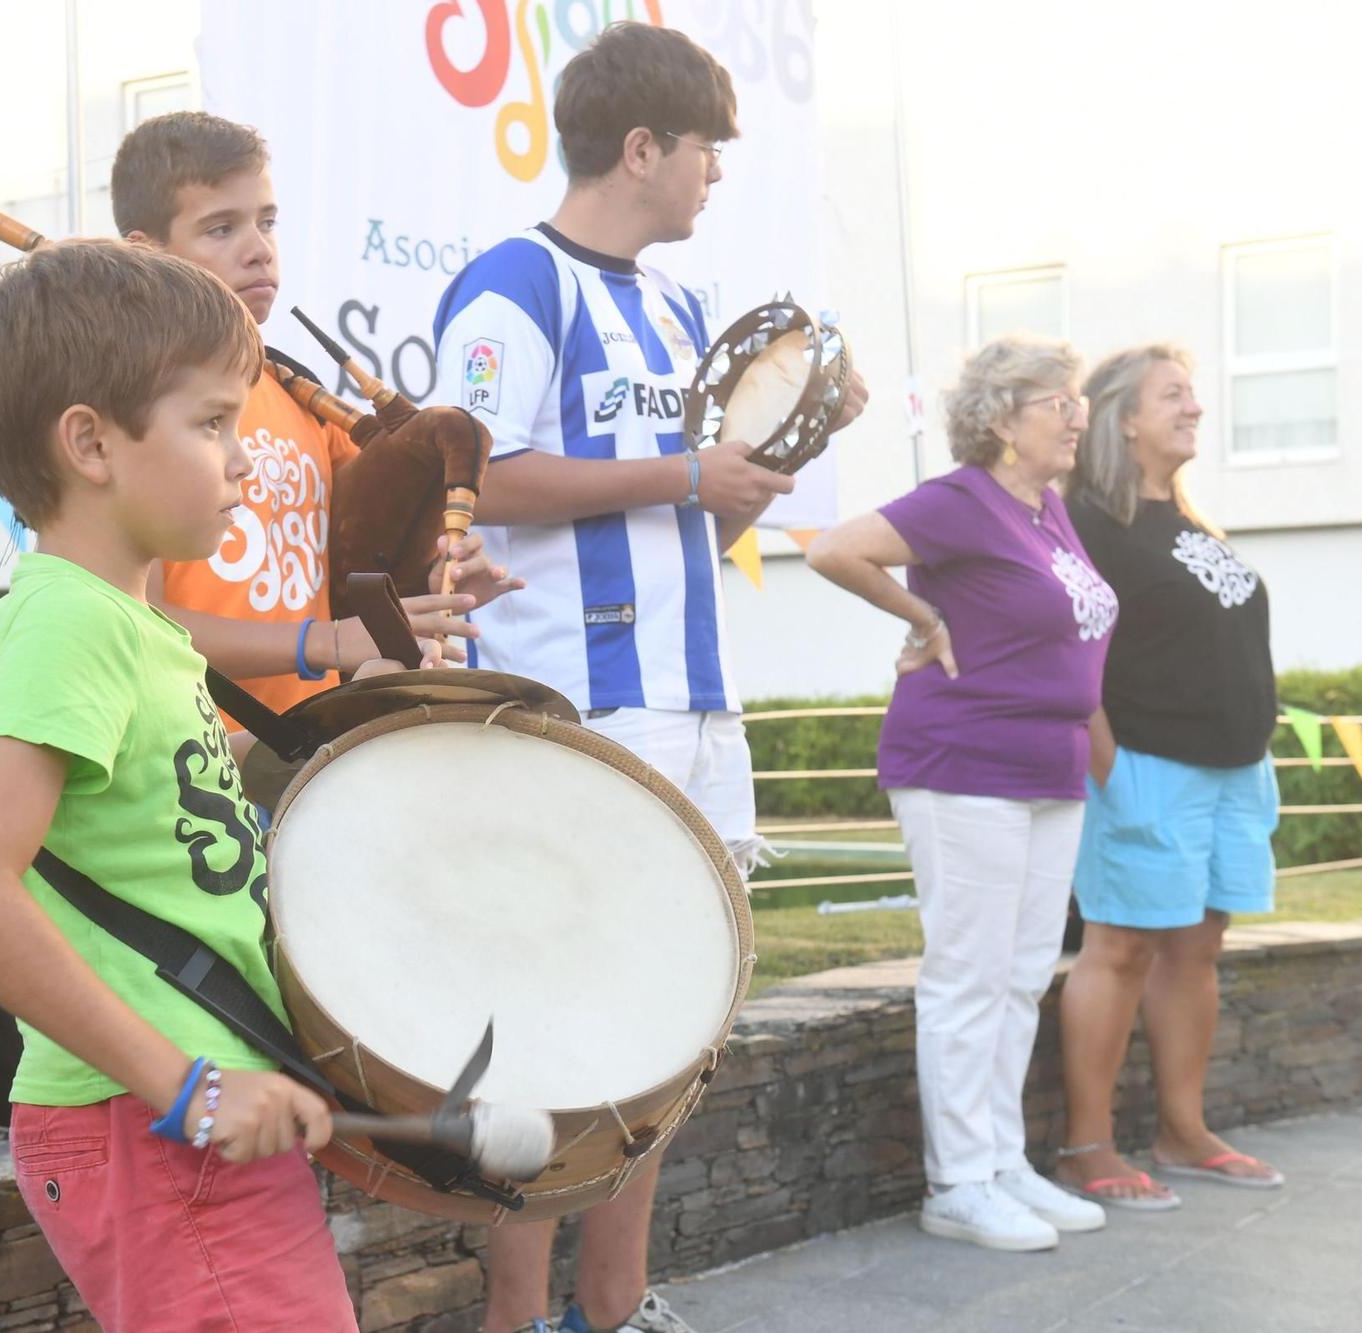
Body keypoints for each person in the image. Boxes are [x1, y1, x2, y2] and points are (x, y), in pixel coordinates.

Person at [432, 23, 865, 1332]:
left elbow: (692, 522)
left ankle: (612, 1307)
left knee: (671, 1025)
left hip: (694, 707)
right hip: (572, 709)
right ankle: (516, 1316)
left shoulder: (678, 308)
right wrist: (685, 473)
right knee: (544, 1028)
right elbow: (474, 477)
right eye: (705, 150)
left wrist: (778, 446)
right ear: (640, 148)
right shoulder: (514, 283)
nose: (716, 174)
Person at [0, 239, 427, 1330]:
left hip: (180, 1111)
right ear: (91, 443)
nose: (242, 461)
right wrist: (184, 1084)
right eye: (211, 424)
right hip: (151, 1122)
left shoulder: (133, 625)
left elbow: (165, 807)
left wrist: (361, 709)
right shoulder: (69, 622)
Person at [804, 335, 1114, 1252]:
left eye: (1078, 400)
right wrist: (923, 615)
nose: (1079, 416)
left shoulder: (1049, 511)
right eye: (1060, 402)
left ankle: (1001, 1161)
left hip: (1049, 767)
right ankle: (958, 1182)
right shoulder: (962, 500)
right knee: (970, 974)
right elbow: (835, 549)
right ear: (1002, 418)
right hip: (964, 760)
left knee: (1021, 975)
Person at [112, 112, 521, 713]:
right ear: (145, 252)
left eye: (267, 222)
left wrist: (430, 582)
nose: (259, 251)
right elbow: (131, 623)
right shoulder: (129, 399)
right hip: (190, 753)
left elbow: (356, 568)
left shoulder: (301, 401)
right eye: (221, 229)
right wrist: (324, 643)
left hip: (311, 747)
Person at [1054, 345, 1284, 1208]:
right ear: (1123, 419)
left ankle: (1183, 1130)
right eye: (1173, 395)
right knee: (1119, 948)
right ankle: (1087, 1146)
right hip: (1145, 766)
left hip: (1232, 771)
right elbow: (1064, 648)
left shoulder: (1189, 522)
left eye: (1192, 393)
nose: (1195, 407)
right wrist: (1111, 766)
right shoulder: (1085, 521)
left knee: (1198, 945)